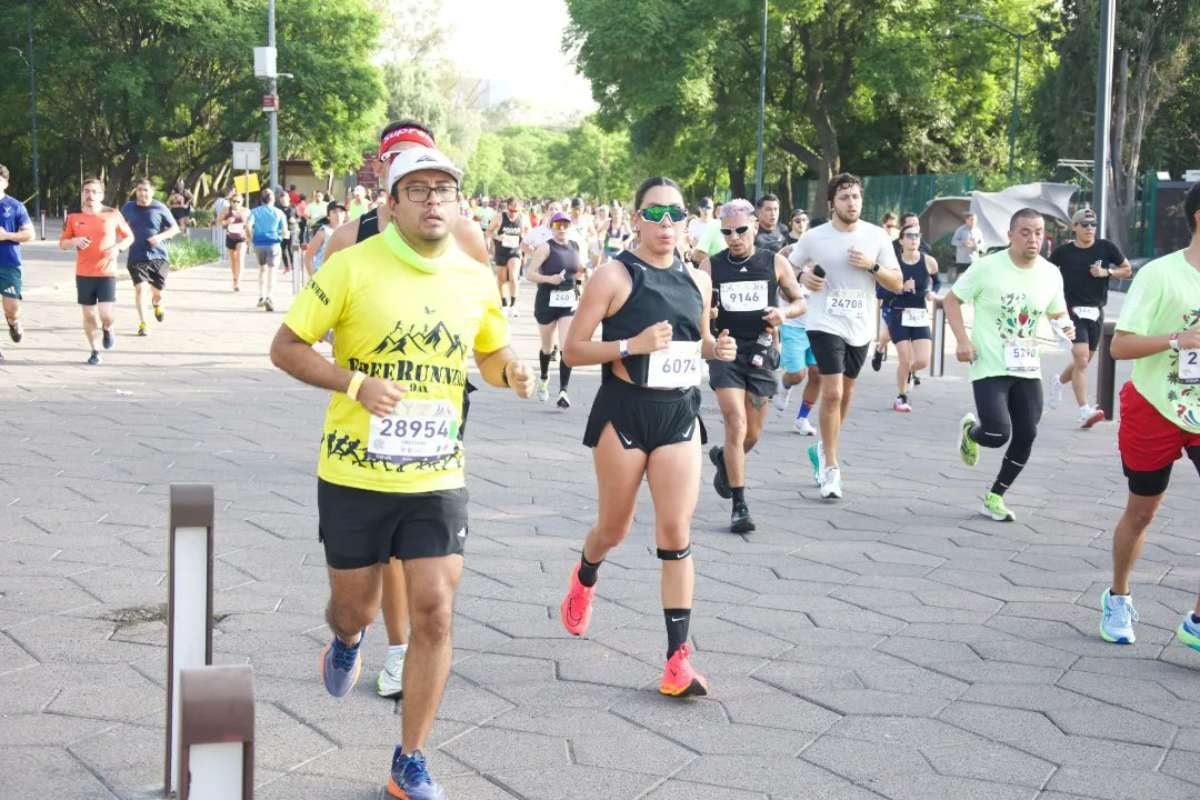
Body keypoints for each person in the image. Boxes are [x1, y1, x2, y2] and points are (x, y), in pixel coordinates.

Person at [269, 145, 534, 799]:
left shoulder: (476, 277)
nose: (433, 200)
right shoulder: (351, 266)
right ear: (391, 203)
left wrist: (513, 372)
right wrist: (354, 384)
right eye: (416, 190)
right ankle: (346, 639)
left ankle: (408, 758)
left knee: (436, 613)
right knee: (353, 605)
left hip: (437, 473)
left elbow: (491, 354)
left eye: (443, 189)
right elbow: (286, 347)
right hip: (355, 473)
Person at [559, 176, 737, 699]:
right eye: (654, 214)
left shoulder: (699, 278)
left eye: (674, 214)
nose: (665, 224)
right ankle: (586, 574)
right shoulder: (613, 276)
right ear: (635, 218)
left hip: (679, 411)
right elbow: (573, 350)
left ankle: (677, 661)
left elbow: (696, 339)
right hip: (625, 413)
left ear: (687, 221)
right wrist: (630, 344)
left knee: (676, 532)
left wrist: (715, 349)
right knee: (613, 528)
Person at [1098, 182, 1200, 649]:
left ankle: (1197, 621)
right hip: (1155, 406)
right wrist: (1180, 340)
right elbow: (1119, 345)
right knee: (1142, 512)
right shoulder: (1161, 275)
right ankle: (1118, 595)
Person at [946, 208, 1074, 523]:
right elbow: (951, 300)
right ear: (1010, 235)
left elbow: (1058, 313)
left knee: (1027, 433)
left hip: (1028, 366)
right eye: (1026, 232)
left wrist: (1067, 326)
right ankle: (971, 432)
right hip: (989, 363)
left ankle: (995, 496)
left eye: (1039, 232)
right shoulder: (986, 267)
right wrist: (963, 340)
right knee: (997, 433)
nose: (1033, 239)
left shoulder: (1050, 273)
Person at [791, 173, 902, 499]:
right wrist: (803, 276)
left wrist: (872, 266)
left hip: (860, 324)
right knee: (834, 392)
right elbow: (786, 265)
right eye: (844, 197)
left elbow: (895, 282)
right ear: (832, 204)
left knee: (847, 394)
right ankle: (832, 469)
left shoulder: (876, 236)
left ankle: (823, 449)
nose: (851, 202)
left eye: (855, 197)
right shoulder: (815, 237)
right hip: (824, 322)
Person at [703, 199, 806, 532]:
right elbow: (697, 307)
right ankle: (739, 506)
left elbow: (799, 301)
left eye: (741, 230)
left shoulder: (774, 262)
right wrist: (709, 317)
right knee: (735, 422)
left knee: (752, 433)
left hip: (762, 352)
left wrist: (783, 314)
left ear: (756, 227)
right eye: (727, 232)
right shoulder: (711, 265)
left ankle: (724, 459)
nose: (734, 238)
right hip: (727, 350)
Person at [1047, 207, 1133, 428]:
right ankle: (1085, 410)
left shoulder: (1106, 247)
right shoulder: (1063, 252)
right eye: (1084, 225)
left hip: (1096, 312)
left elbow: (1127, 269)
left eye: (1093, 224)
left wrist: (1108, 273)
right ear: (1074, 227)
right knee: (1082, 358)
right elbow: (1044, 273)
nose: (1089, 229)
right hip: (1071, 311)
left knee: (1081, 362)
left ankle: (1058, 382)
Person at [60, 178, 133, 365]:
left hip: (106, 272)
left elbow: (129, 237)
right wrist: (74, 242)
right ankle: (94, 350)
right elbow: (63, 243)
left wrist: (117, 249)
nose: (89, 195)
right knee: (88, 314)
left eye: (94, 191)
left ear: (101, 195)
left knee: (105, 314)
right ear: (82, 194)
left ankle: (108, 329)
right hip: (84, 273)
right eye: (86, 191)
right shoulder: (73, 217)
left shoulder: (112, 214)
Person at [526, 211, 582, 408]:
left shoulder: (575, 246)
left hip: (567, 302)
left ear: (570, 226)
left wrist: (581, 283)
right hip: (547, 302)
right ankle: (543, 377)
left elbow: (576, 272)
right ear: (551, 227)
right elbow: (530, 274)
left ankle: (563, 391)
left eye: (565, 224)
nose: (562, 229)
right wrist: (549, 279)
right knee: (548, 348)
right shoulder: (545, 248)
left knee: (566, 346)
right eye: (558, 225)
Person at [882, 221, 938, 412]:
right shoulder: (892, 264)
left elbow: (936, 282)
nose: (914, 239)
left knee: (923, 360)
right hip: (898, 314)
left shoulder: (929, 261)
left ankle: (910, 373)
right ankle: (901, 396)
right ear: (901, 241)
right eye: (910, 236)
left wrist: (931, 291)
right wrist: (899, 288)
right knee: (904, 359)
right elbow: (879, 291)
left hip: (919, 315)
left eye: (917, 236)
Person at [776, 209, 821, 435]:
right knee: (797, 373)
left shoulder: (828, 257)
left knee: (818, 373)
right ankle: (784, 385)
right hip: (794, 324)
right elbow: (781, 291)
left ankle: (802, 419)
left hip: (820, 325)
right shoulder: (787, 252)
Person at [120, 179, 180, 336]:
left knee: (157, 292)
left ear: (152, 192)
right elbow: (118, 225)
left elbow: (175, 228)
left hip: (158, 256)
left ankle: (157, 303)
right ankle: (143, 323)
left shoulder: (159, 207)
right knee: (140, 289)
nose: (142, 193)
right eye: (140, 189)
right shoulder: (128, 207)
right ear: (136, 191)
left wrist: (160, 237)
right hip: (136, 255)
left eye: (146, 190)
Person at [0, 164, 34, 359]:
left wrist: (6, 236)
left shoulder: (15, 206)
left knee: (11, 308)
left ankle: (13, 323)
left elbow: (30, 234)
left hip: (9, 263)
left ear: (5, 183)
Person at [487, 197, 529, 316]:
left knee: (513, 277)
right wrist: (497, 237)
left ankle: (513, 306)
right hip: (501, 251)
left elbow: (528, 234)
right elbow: (489, 231)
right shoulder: (500, 217)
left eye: (516, 211)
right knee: (501, 280)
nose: (513, 214)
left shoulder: (523, 219)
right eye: (511, 210)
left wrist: (525, 246)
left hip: (515, 252)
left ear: (520, 210)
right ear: (507, 207)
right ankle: (504, 304)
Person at [247, 188, 286, 312]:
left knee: (262, 269)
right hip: (274, 243)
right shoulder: (279, 213)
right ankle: (270, 296)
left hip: (259, 243)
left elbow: (247, 226)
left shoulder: (254, 212)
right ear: (273, 199)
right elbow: (285, 231)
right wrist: (282, 237)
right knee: (272, 271)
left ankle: (261, 296)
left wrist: (251, 238)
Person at [303, 202, 347, 276]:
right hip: (323, 276)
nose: (338, 215)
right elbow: (308, 258)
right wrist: (312, 278)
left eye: (341, 212)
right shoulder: (323, 233)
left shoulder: (349, 231)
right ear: (328, 216)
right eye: (334, 212)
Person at [220, 192, 250, 292]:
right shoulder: (225, 210)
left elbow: (249, 225)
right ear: (230, 202)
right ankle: (234, 279)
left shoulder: (245, 211)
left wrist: (249, 236)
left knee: (240, 258)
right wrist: (226, 222)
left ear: (242, 202)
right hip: (230, 236)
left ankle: (238, 282)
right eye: (234, 201)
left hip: (242, 238)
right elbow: (218, 222)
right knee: (233, 260)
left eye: (238, 201)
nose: (236, 203)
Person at [951, 211, 984, 278]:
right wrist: (964, 243)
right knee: (960, 280)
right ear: (967, 220)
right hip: (962, 259)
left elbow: (982, 243)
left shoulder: (978, 231)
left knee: (973, 279)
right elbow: (953, 241)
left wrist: (975, 245)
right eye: (972, 219)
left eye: (975, 220)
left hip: (974, 259)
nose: (974, 221)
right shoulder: (960, 230)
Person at [277, 192, 299, 274]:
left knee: (290, 249)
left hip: (291, 230)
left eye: (285, 199)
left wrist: (294, 220)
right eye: (282, 199)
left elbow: (298, 218)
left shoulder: (293, 207)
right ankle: (286, 267)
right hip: (281, 231)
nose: (283, 201)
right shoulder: (278, 208)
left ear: (288, 199)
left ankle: (293, 266)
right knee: (282, 249)